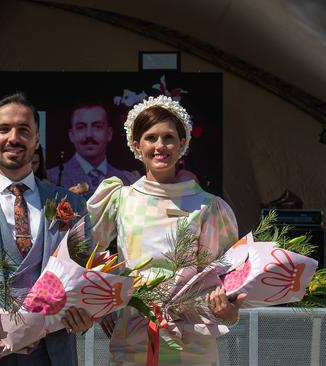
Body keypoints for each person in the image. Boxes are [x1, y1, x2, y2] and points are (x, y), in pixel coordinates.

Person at [87, 95, 246, 365]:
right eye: (151, 138)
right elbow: (87, 258)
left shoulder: (209, 207)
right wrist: (99, 303)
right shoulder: (118, 199)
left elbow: (228, 276)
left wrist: (229, 310)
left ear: (182, 144)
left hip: (192, 341)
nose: (160, 146)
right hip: (134, 337)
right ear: (137, 145)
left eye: (169, 138)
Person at [0, 93, 93, 366]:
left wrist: (84, 315)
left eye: (24, 130)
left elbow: (84, 280)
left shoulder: (71, 204)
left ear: (36, 139)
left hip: (53, 356)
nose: (13, 138)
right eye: (3, 129)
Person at [47, 102, 139, 197]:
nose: (89, 135)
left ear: (109, 133)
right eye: (81, 127)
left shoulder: (128, 180)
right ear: (71, 135)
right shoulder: (52, 178)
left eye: (97, 126)